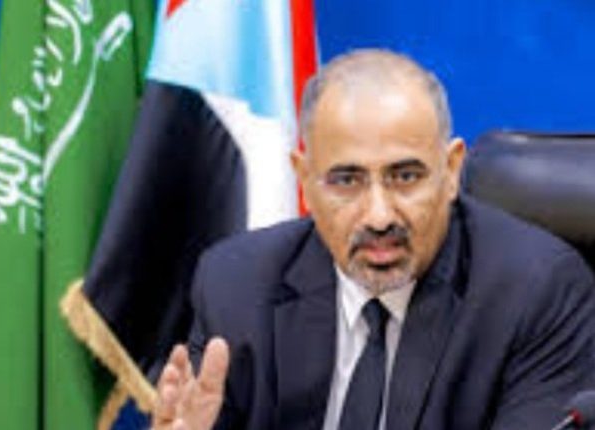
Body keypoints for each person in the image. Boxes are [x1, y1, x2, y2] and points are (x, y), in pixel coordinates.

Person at [152, 49, 595, 430]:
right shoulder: (236, 285)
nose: (379, 216)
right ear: (304, 180)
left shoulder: (535, 293)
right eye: (347, 180)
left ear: (451, 171)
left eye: (406, 177)